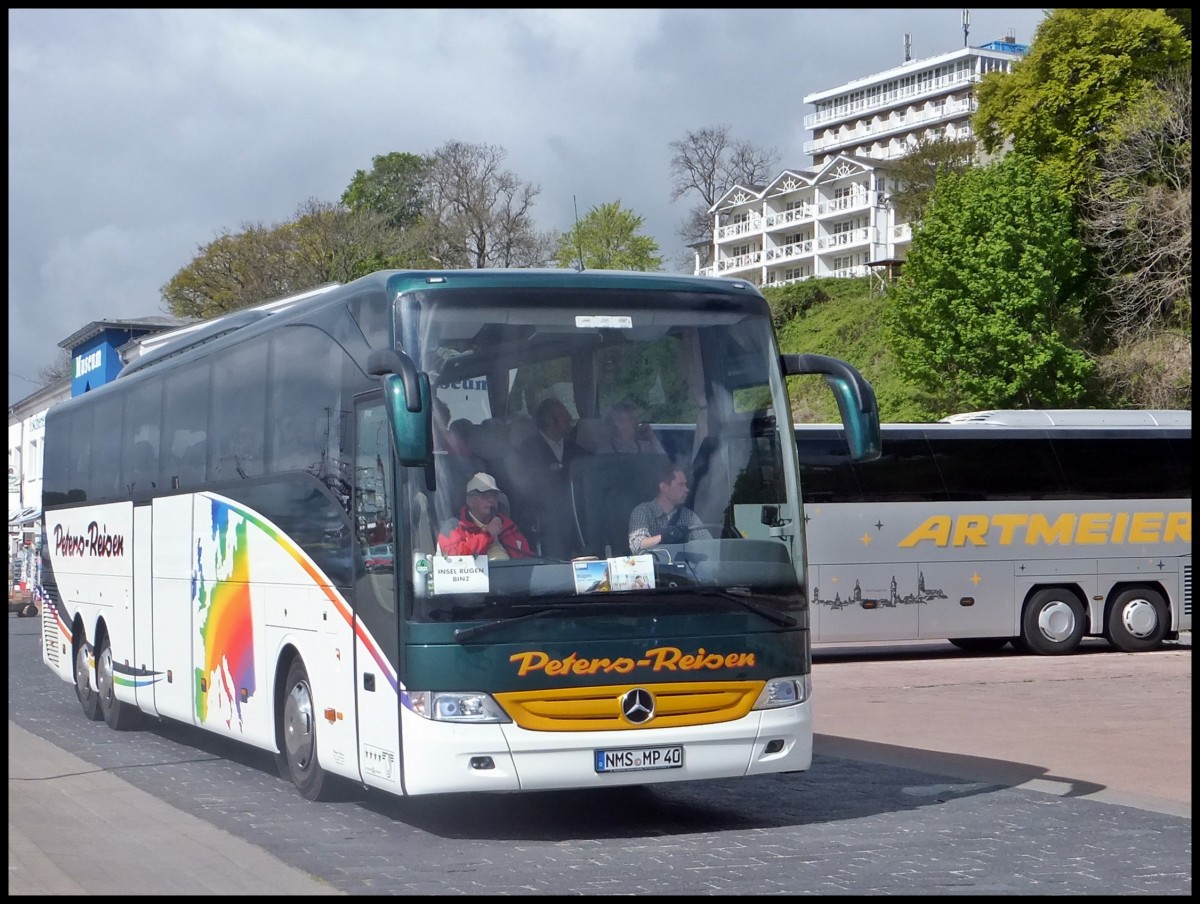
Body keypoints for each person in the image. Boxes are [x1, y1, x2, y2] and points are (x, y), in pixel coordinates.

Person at [512, 398, 585, 559]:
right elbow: (526, 487)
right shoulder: (528, 450)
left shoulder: (578, 451)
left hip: (577, 513)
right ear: (549, 420)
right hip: (543, 516)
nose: (570, 419)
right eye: (565, 415)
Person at [437, 472, 535, 560]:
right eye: (484, 495)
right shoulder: (453, 527)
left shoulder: (508, 527)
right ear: (470, 501)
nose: (491, 500)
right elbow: (453, 558)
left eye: (494, 495)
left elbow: (527, 559)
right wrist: (487, 534)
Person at [628, 462, 713, 553]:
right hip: (655, 567)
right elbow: (637, 545)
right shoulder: (643, 511)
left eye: (686, 485)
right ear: (664, 487)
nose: (686, 490)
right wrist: (665, 537)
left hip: (687, 567)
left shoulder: (689, 516)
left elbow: (710, 546)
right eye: (681, 485)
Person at [596, 400, 665, 455]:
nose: (637, 422)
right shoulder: (606, 451)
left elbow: (662, 462)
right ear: (617, 423)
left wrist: (652, 437)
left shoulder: (644, 447)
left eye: (637, 419)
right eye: (632, 419)